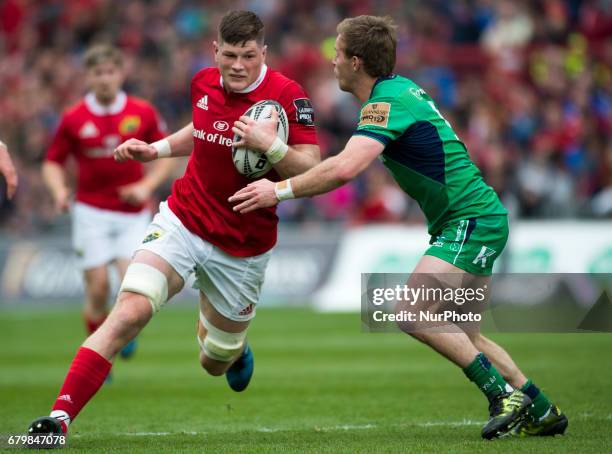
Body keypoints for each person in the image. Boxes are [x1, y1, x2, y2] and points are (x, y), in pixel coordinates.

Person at [229, 15, 567, 439]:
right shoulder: (397, 92)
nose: (330, 61)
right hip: (472, 217)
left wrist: (275, 185)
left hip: (470, 220)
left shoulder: (385, 103)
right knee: (465, 333)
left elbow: (344, 169)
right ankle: (540, 406)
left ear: (356, 61)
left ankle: (502, 396)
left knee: (411, 311)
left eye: (336, 52)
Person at [28, 10, 319, 437]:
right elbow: (202, 128)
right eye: (230, 55)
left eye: (249, 56)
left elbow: (311, 167)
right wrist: (157, 149)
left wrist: (271, 146)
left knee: (214, 361)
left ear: (264, 53)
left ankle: (231, 349)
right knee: (129, 310)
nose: (238, 65)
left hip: (243, 246)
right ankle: (58, 419)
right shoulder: (202, 82)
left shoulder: (289, 96)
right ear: (215, 50)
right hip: (184, 219)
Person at [42, 44, 175, 362]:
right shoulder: (74, 117)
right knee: (98, 288)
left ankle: (117, 334)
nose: (104, 79)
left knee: (132, 283)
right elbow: (52, 161)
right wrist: (59, 190)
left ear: (121, 73)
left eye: (110, 72)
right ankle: (96, 351)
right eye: (97, 73)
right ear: (88, 76)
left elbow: (166, 155)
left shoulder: (141, 112)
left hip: (131, 215)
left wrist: (146, 185)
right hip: (90, 213)